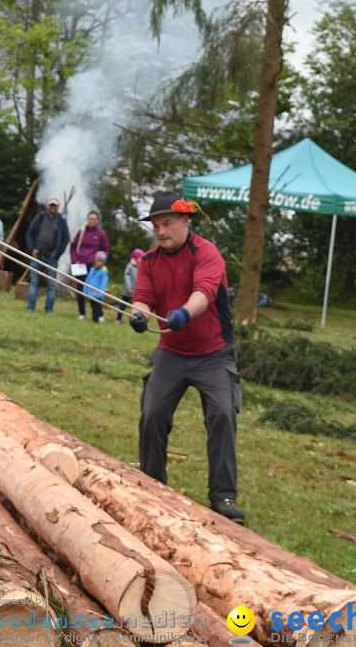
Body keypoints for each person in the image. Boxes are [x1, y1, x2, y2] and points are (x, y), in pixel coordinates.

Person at [128, 192, 243, 524]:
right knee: (152, 413)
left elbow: (204, 294)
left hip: (214, 354)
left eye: (167, 224)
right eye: (156, 226)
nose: (161, 232)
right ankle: (153, 485)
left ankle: (223, 496)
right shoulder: (149, 261)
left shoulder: (207, 253)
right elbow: (143, 299)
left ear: (185, 222)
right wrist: (139, 316)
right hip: (171, 353)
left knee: (222, 414)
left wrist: (182, 314)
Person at [25, 196, 70, 313]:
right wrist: (32, 248)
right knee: (34, 282)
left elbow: (66, 239)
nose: (52, 207)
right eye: (51, 205)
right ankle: (30, 308)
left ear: (58, 207)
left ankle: (49, 309)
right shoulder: (39, 217)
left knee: (51, 285)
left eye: (55, 205)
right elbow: (29, 232)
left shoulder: (61, 221)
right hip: (37, 254)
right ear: (47, 206)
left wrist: (57, 254)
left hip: (52, 257)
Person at [70, 211, 111, 320]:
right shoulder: (81, 231)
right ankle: (81, 313)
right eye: (90, 218)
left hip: (94, 267)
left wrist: (101, 262)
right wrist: (75, 259)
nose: (92, 221)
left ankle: (98, 314)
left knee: (95, 291)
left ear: (97, 220)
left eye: (94, 219)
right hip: (80, 265)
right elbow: (73, 247)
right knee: (80, 289)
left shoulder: (101, 233)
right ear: (87, 219)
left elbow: (106, 249)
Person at [115, 249, 146, 324]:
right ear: (135, 258)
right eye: (140, 258)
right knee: (122, 305)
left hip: (137, 291)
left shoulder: (142, 267)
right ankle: (118, 319)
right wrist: (129, 287)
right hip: (128, 291)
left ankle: (136, 320)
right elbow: (126, 276)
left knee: (136, 307)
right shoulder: (130, 266)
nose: (141, 260)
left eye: (142, 258)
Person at [82, 251, 110, 322]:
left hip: (98, 294)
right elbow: (87, 280)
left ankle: (96, 319)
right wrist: (85, 290)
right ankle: (99, 316)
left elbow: (104, 283)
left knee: (96, 307)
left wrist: (100, 292)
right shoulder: (91, 270)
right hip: (90, 293)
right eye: (97, 260)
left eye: (101, 261)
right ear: (95, 260)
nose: (99, 262)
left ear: (103, 263)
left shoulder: (103, 272)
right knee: (92, 306)